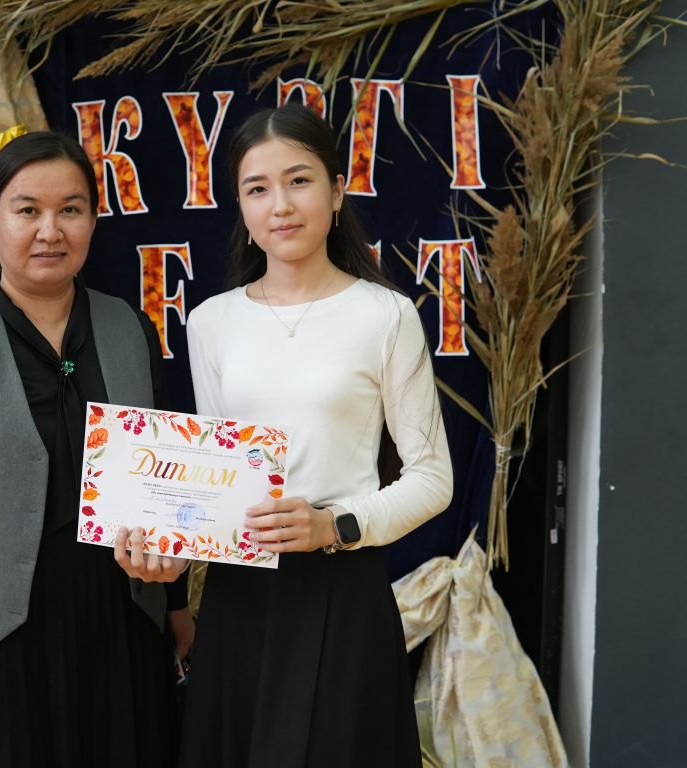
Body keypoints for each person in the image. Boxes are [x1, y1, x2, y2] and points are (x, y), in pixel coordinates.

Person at [116, 104, 453, 767]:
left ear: (336, 190)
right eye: (257, 188)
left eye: (299, 181)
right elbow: (217, 481)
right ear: (240, 206)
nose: (281, 205)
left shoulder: (385, 315)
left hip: (342, 594)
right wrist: (170, 550)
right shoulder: (211, 322)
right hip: (239, 602)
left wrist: (336, 526)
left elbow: (433, 476)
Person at [0, 130, 191, 767]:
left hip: (120, 624)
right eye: (28, 210)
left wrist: (176, 603)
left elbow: (162, 477)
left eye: (70, 209)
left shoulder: (129, 327)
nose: (51, 230)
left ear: (93, 222)